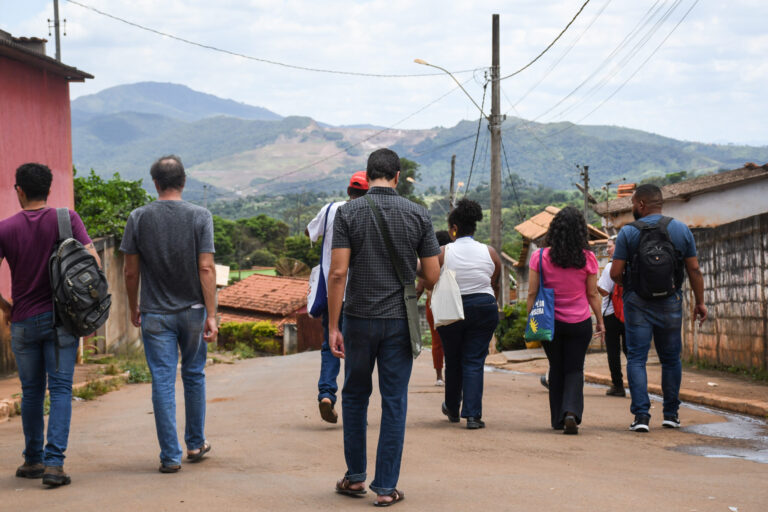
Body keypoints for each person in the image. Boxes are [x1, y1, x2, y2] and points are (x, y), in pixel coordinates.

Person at [327, 148, 440, 507]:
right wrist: (408, 266)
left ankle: (355, 478)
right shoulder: (418, 214)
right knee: (394, 401)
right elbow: (432, 274)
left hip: (358, 319)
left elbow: (338, 273)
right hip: (399, 321)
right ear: (397, 176)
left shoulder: (348, 213)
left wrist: (333, 326)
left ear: (368, 174)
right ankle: (386, 488)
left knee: (354, 396)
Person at [0, 163, 100, 487]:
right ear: (49, 189)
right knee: (59, 390)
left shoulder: (5, 229)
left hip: (23, 322)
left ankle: (33, 460)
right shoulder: (66, 219)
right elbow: (94, 263)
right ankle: (54, 465)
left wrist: (7, 307)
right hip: (61, 322)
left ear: (19, 190)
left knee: (31, 392)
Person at [120, 155, 218, 473]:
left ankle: (170, 456)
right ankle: (195, 443)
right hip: (193, 311)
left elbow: (130, 271)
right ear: (183, 181)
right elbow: (206, 267)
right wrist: (212, 314)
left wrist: (133, 306)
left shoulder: (138, 217)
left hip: (155, 313)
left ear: (155, 184)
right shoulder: (200, 216)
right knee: (194, 374)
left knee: (162, 380)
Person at [610, 184, 707, 432]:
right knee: (671, 359)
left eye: (633, 203)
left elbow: (615, 272)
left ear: (641, 204)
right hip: (670, 301)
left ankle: (641, 416)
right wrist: (700, 302)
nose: (632, 207)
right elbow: (694, 270)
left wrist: (631, 287)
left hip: (637, 303)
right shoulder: (681, 229)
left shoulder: (628, 233)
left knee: (637, 358)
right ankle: (671, 414)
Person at [527, 206, 604, 435]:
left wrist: (531, 319)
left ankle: (557, 419)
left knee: (557, 367)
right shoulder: (588, 258)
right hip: (579, 322)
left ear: (554, 229)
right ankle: (571, 411)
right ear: (581, 231)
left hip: (549, 323)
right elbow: (592, 294)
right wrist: (600, 320)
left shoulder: (539, 256)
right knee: (575, 368)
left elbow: (532, 293)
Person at [305, 171, 369, 423]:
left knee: (329, 343)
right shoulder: (370, 212)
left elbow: (310, 232)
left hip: (333, 288)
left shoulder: (331, 209)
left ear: (348, 191)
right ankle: (356, 405)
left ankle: (326, 394)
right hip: (361, 292)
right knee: (359, 348)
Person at [436, 200, 501, 429]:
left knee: (453, 359)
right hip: (484, 306)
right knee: (474, 361)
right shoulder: (490, 252)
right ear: (474, 227)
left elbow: (430, 276)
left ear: (454, 228)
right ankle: (473, 416)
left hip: (452, 309)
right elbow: (494, 284)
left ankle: (453, 408)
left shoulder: (443, 252)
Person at [417, 230, 452, 387]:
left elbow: (420, 287)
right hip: (453, 303)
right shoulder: (454, 258)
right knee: (454, 340)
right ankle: (454, 372)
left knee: (437, 340)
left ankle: (439, 376)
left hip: (434, 304)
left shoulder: (430, 259)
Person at [597, 237, 627, 396]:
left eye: (610, 246)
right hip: (628, 313)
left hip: (611, 314)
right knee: (630, 351)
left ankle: (618, 386)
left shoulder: (611, 267)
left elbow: (603, 291)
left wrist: (596, 285)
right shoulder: (631, 264)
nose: (608, 250)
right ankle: (637, 385)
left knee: (613, 352)